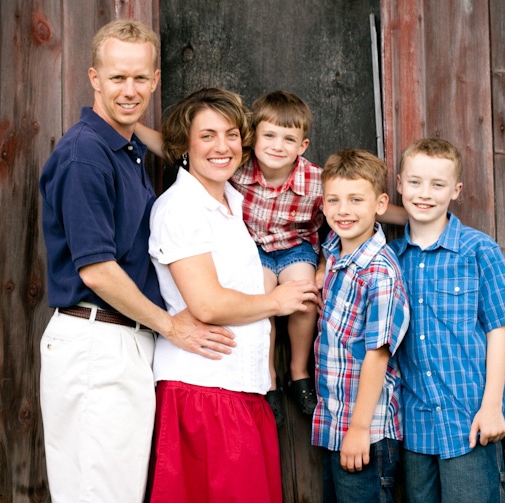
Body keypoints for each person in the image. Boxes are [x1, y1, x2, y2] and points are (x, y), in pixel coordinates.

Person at [38, 20, 235, 503]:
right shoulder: (86, 155)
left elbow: (181, 150)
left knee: (116, 491)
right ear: (94, 77)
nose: (130, 90)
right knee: (99, 494)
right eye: (118, 77)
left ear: (154, 80)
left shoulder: (123, 150)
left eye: (140, 78)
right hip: (97, 341)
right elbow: (97, 270)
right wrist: (172, 326)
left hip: (120, 342)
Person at [138, 90, 408, 425]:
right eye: (269, 136)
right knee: (260, 299)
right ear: (254, 140)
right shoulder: (237, 168)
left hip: (296, 248)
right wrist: (133, 127)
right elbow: (175, 145)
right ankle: (269, 379)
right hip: (258, 250)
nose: (278, 146)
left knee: (306, 297)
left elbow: (360, 201)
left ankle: (298, 372)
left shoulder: (314, 179)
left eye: (288, 139)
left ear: (302, 145)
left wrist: (415, 215)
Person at [146, 87, 319, 503]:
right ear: (183, 145)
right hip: (204, 389)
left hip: (242, 388)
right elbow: (208, 304)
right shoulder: (181, 208)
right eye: (207, 136)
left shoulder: (231, 204)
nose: (222, 147)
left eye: (231, 134)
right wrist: (277, 301)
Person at [388, 138, 505, 502]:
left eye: (438, 184)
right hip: (416, 426)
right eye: (414, 182)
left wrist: (492, 405)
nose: (424, 193)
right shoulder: (390, 259)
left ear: (456, 190)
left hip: (470, 421)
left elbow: (499, 329)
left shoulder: (478, 249)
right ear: (399, 184)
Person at [312, 148, 410, 503]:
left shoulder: (379, 272)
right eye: (334, 200)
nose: (343, 210)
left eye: (356, 199)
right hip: (335, 424)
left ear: (380, 204)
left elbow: (377, 355)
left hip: (367, 429)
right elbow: (328, 248)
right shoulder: (335, 250)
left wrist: (359, 428)